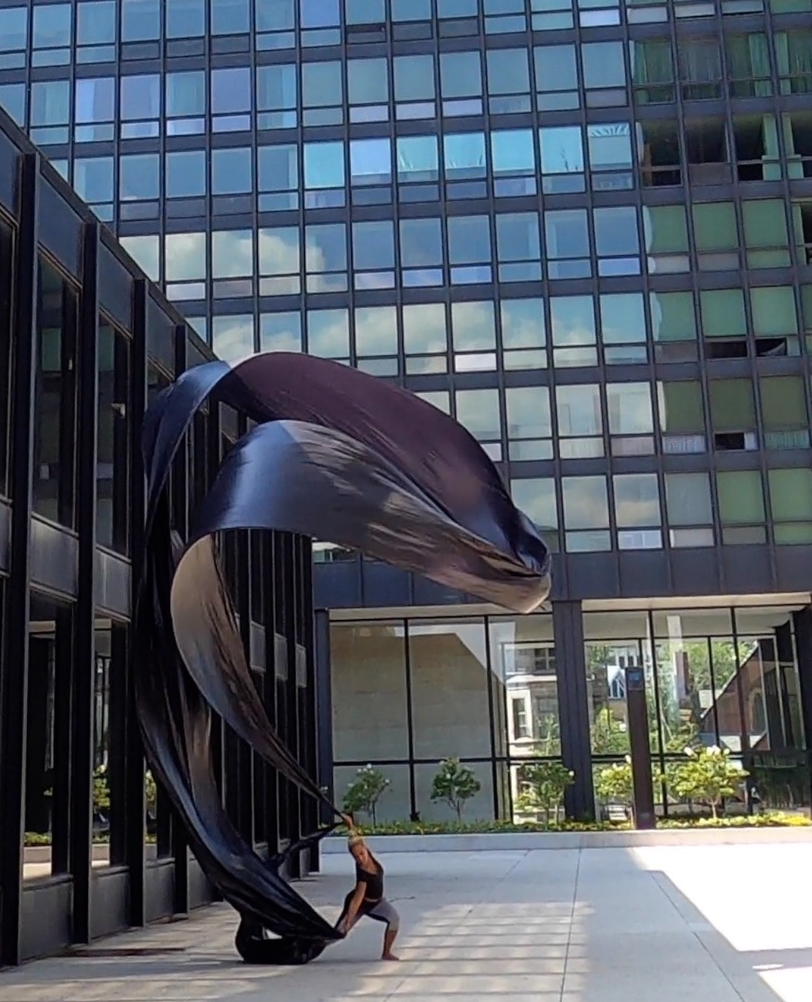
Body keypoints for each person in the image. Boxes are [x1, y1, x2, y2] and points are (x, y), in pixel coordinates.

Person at [336, 820, 400, 961]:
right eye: (356, 857)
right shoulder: (362, 873)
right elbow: (357, 898)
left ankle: (386, 953)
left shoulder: (370, 856)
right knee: (340, 932)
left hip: (377, 903)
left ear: (366, 849)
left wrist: (350, 825)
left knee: (394, 919)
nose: (360, 858)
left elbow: (356, 838)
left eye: (361, 854)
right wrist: (349, 919)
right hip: (361, 904)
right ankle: (309, 946)